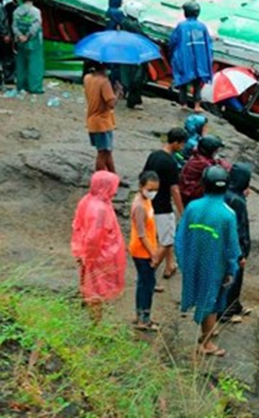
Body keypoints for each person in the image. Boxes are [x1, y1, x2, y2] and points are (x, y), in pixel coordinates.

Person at [177, 166, 240, 357]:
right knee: (212, 302)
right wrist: (231, 269)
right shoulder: (228, 214)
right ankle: (206, 343)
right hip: (215, 267)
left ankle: (206, 332)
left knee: (203, 298)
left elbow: (181, 237)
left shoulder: (192, 207)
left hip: (193, 262)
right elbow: (232, 247)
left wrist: (184, 263)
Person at [70, 171, 126, 323]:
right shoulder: (100, 209)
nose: (115, 190)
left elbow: (79, 224)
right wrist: (89, 258)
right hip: (98, 256)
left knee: (89, 284)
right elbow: (94, 237)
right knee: (96, 290)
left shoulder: (88, 200)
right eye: (113, 187)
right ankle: (95, 326)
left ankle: (91, 317)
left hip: (87, 252)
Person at [143, 127, 188, 281]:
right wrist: (182, 211)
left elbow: (144, 177)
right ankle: (150, 271)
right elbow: (174, 190)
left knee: (163, 235)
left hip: (149, 203)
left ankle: (170, 265)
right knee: (167, 240)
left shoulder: (153, 155)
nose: (182, 147)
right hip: (163, 207)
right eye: (182, 144)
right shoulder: (171, 163)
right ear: (175, 143)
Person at [129, 170, 161, 331]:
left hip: (146, 248)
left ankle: (140, 315)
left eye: (155, 189)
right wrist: (154, 254)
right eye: (150, 189)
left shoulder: (145, 200)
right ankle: (144, 319)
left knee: (144, 282)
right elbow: (141, 234)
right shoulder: (139, 206)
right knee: (147, 284)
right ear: (141, 186)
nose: (153, 192)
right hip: (142, 251)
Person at [223, 162, 254, 324]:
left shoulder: (228, 193)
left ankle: (235, 306)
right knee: (232, 279)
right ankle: (226, 312)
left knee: (235, 279)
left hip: (228, 246)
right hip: (235, 248)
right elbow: (238, 229)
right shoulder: (236, 201)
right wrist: (241, 254)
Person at [169, 1, 212, 113]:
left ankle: (183, 104)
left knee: (183, 82)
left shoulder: (181, 26)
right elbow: (208, 43)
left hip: (185, 58)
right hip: (199, 59)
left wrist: (172, 54)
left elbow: (173, 40)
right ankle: (197, 105)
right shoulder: (202, 27)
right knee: (197, 83)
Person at [83, 60, 117, 173]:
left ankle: (114, 176)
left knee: (107, 151)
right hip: (103, 123)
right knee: (103, 153)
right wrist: (117, 92)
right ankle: (100, 179)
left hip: (92, 121)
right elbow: (111, 104)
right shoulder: (104, 82)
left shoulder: (87, 78)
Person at [12, 0, 44, 95]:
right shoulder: (36, 11)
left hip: (20, 42)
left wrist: (20, 36)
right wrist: (28, 36)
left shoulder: (17, 11)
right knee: (35, 64)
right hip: (33, 42)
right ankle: (34, 87)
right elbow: (36, 25)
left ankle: (21, 86)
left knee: (21, 64)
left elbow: (14, 26)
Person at [179, 135, 228, 206]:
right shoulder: (203, 163)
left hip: (187, 191)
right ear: (209, 150)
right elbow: (221, 169)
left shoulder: (198, 155)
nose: (217, 152)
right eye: (215, 150)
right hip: (190, 194)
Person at [119, 0, 147, 109]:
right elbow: (143, 36)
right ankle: (133, 101)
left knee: (130, 76)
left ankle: (133, 98)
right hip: (135, 54)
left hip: (127, 53)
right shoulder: (133, 25)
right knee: (137, 78)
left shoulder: (124, 22)